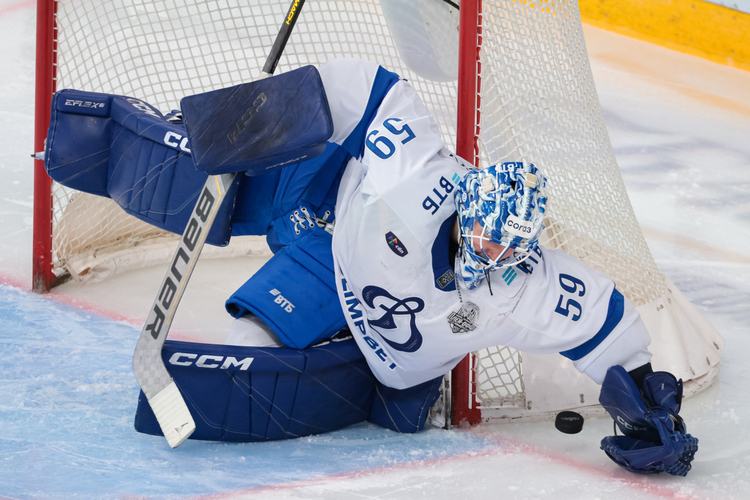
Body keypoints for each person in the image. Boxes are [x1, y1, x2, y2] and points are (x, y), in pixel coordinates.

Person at [44, 58, 698, 475]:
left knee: (387, 408)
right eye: (486, 236)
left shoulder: (522, 286)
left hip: (379, 354)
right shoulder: (418, 178)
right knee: (205, 188)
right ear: (469, 207)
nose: (494, 254)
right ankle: (103, 141)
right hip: (325, 231)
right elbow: (377, 93)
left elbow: (600, 318)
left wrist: (650, 403)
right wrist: (267, 108)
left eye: (509, 248)